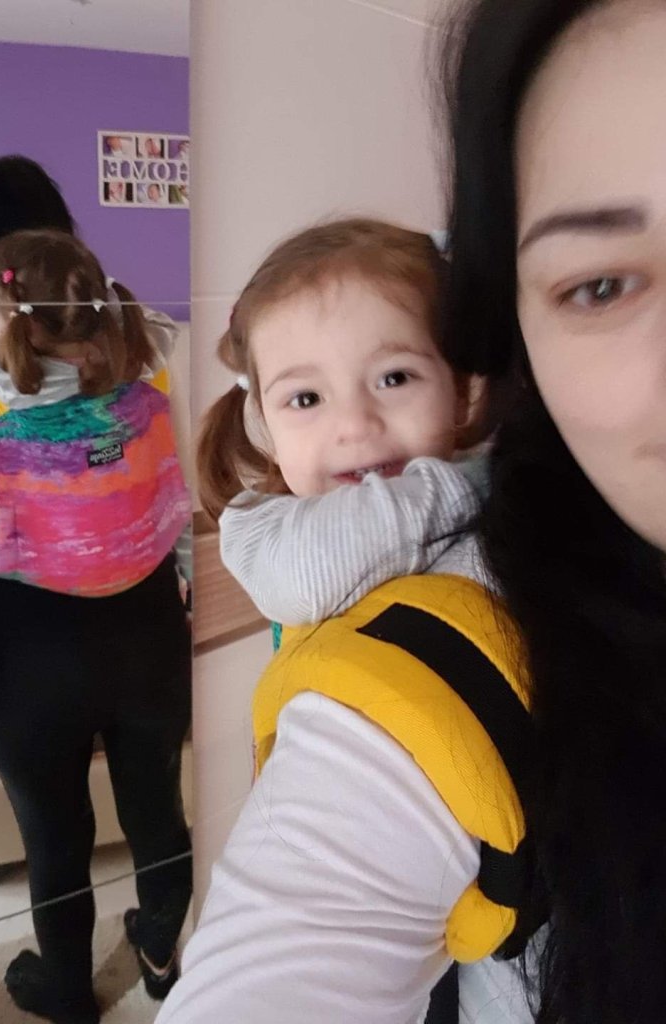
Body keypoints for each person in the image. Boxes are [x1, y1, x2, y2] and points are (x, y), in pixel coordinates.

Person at [161, 1, 666, 1022]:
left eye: (394, 376)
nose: (354, 427)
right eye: (602, 284)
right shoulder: (329, 563)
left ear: (467, 386)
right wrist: (464, 477)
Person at [0, 155, 193, 1023]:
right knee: (157, 810)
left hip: (31, 644)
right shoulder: (149, 333)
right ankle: (163, 953)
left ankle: (67, 989)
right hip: (148, 619)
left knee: (56, 838)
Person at [0, 229, 190, 703]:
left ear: (19, 324)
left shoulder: (3, 379)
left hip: (49, 557)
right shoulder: (138, 357)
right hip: (140, 546)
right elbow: (156, 322)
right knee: (176, 500)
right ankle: (196, 588)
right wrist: (99, 298)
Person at [195, 218, 485, 637]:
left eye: (394, 378)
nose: (355, 425)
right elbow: (307, 576)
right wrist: (490, 481)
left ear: (458, 389)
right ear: (264, 425)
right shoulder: (263, 534)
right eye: (306, 399)